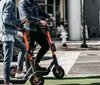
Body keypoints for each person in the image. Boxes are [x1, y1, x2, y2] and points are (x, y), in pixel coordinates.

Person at [18, 0, 55, 71]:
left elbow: (39, 12)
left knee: (46, 45)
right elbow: (26, 17)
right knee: (29, 49)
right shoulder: (22, 3)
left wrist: (48, 16)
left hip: (36, 27)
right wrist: (40, 21)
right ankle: (29, 69)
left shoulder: (34, 2)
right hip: (28, 28)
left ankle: (35, 64)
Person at [0, 0, 27, 85]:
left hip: (9, 32)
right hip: (7, 34)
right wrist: (20, 21)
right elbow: (6, 19)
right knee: (7, 60)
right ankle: (7, 82)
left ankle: (19, 72)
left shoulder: (3, 1)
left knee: (23, 48)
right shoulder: (10, 2)